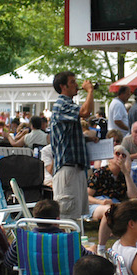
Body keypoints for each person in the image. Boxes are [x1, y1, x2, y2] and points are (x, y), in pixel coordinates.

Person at [50, 71, 97, 221]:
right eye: (72, 82)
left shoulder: (68, 105)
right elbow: (86, 111)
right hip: (67, 169)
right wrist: (90, 90)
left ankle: (75, 244)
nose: (77, 85)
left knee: (75, 216)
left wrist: (87, 140)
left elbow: (67, 136)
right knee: (67, 218)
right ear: (62, 86)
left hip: (75, 169)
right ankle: (65, 244)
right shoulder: (61, 105)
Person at [90, 146, 137, 249]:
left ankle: (131, 245)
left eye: (124, 155)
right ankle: (101, 247)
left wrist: (126, 173)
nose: (120, 157)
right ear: (110, 157)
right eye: (117, 154)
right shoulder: (100, 173)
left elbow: (134, 195)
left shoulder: (123, 176)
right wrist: (101, 202)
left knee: (131, 208)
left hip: (116, 204)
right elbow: (86, 196)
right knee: (110, 211)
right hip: (97, 204)